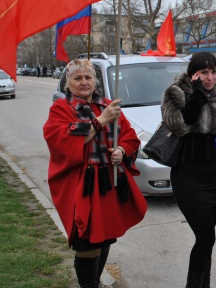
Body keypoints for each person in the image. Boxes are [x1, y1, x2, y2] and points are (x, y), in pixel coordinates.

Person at [43, 58, 148, 288]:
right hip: (82, 184)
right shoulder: (61, 108)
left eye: (88, 77)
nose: (84, 82)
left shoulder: (108, 106)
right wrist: (101, 120)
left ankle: (96, 282)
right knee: (86, 241)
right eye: (77, 78)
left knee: (105, 236)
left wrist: (121, 150)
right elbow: (64, 140)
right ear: (68, 83)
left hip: (108, 184)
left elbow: (130, 137)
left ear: (95, 81)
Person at [160, 52, 216, 288]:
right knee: (206, 236)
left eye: (213, 72)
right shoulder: (176, 92)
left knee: (206, 240)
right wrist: (198, 95)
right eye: (204, 72)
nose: (210, 78)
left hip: (214, 175)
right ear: (194, 74)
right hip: (188, 176)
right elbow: (178, 126)